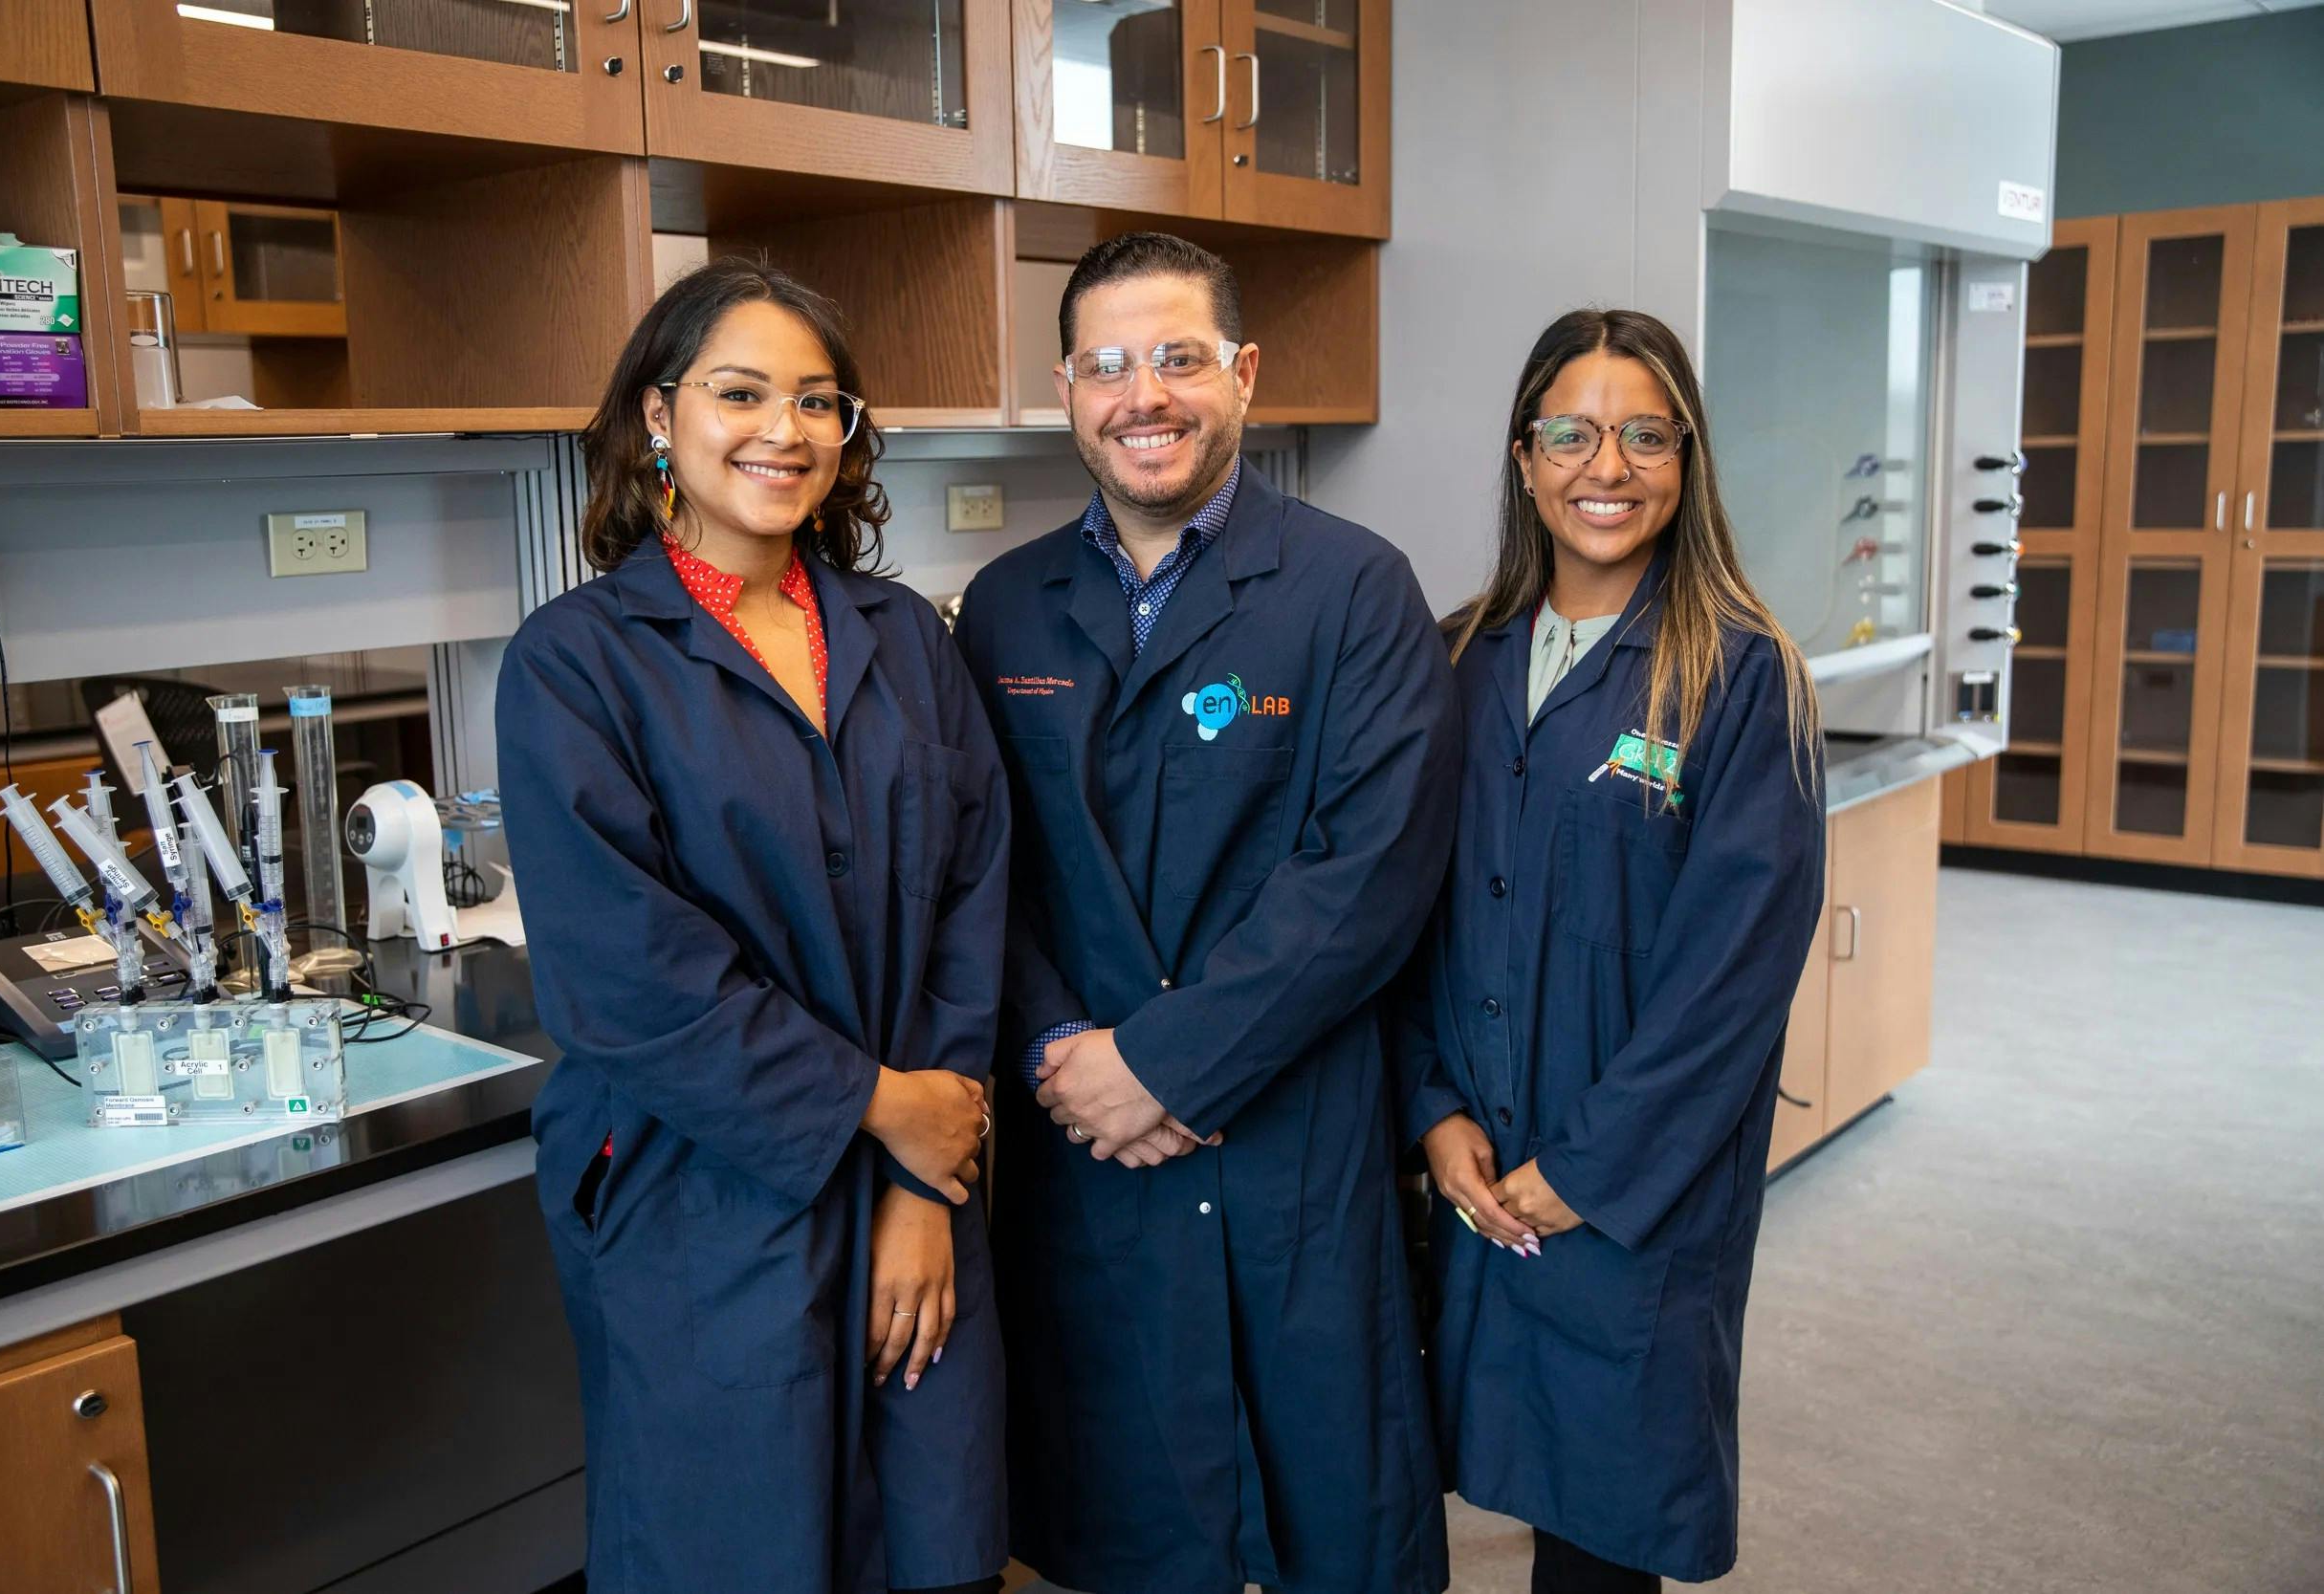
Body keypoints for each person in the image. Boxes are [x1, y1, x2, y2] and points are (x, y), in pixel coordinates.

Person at [495, 258, 1010, 1594]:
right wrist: (879, 1109)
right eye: (741, 393)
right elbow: (628, 978)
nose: (784, 431)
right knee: (740, 1547)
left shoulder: (904, 637)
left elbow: (971, 892)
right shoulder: (577, 661)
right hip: (695, 1190)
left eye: (818, 401)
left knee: (931, 1536)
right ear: (658, 418)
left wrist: (922, 1174)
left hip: (913, 1180)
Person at [954, 231, 1458, 1594]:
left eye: (1179, 357)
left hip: (1286, 1134)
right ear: (1065, 388)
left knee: (1324, 1519)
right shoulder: (1003, 612)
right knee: (1125, 1520)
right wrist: (1066, 1051)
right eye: (1109, 364)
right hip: (1085, 1139)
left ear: (1243, 373)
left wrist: (1159, 1066)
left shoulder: (1355, 589)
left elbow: (1372, 875)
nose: (1145, 396)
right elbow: (976, 870)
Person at [1393, 308, 1827, 1591]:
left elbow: (1732, 979)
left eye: (1647, 435)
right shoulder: (1454, 659)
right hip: (1473, 1166)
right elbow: (1402, 918)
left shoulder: (1744, 677)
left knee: (1602, 1528)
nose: (1608, 468)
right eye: (1572, 434)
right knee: (1462, 1461)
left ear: (1687, 461)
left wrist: (1587, 1168)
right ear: (1524, 458)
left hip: (1632, 1185)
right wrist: (1429, 1110)